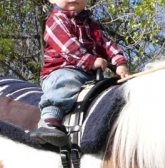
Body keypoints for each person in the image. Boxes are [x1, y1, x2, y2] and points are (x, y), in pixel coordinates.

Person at [31, 0, 130, 146]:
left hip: (88, 76)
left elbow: (106, 44)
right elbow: (68, 47)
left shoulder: (91, 24)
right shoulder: (56, 21)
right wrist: (91, 61)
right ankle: (49, 120)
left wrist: (119, 63)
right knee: (67, 82)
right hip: (60, 70)